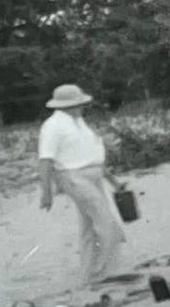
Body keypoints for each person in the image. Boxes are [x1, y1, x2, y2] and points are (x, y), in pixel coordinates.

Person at [37, 84, 127, 290]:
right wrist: (46, 192)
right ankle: (104, 273)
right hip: (73, 176)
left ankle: (88, 275)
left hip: (93, 175)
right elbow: (46, 160)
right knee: (105, 221)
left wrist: (113, 181)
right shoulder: (52, 126)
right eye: (78, 104)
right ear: (67, 105)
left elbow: (91, 156)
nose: (82, 107)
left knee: (89, 227)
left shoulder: (78, 123)